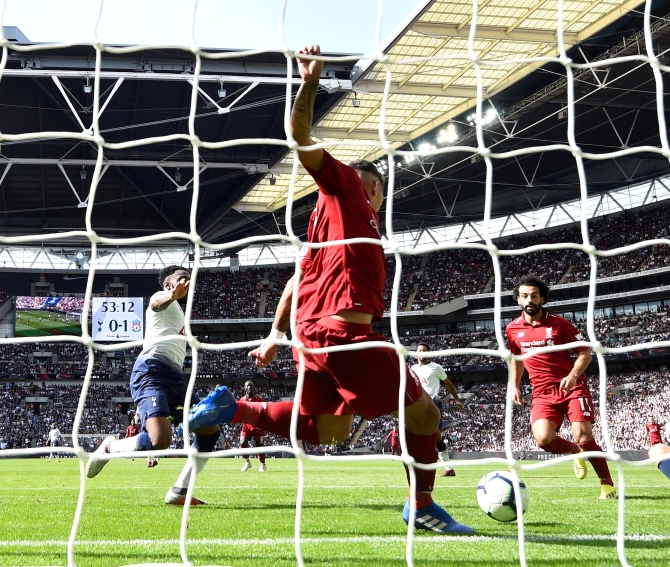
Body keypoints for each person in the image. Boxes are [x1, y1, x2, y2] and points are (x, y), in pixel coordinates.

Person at [187, 44, 472, 535]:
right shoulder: (343, 193)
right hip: (344, 337)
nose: (369, 192)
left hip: (311, 338)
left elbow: (296, 281)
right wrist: (311, 84)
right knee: (426, 418)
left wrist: (276, 335)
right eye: (367, 185)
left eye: (372, 187)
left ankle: (234, 408)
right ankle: (421, 506)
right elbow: (299, 137)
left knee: (331, 430)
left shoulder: (327, 235)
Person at [85, 266, 221, 506]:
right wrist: (170, 295)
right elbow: (155, 302)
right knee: (160, 441)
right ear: (169, 285)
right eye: (182, 278)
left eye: (189, 279)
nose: (187, 282)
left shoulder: (180, 310)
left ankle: (181, 490)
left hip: (174, 379)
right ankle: (109, 448)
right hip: (151, 372)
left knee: (210, 428)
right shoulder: (163, 300)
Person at [506, 274, 616, 499]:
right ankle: (576, 453)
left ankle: (607, 483)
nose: (529, 300)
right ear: (518, 299)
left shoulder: (559, 324)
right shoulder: (512, 329)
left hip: (572, 388)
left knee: (584, 435)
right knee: (544, 439)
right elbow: (516, 359)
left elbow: (585, 353)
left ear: (542, 299)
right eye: (525, 295)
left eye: (534, 295)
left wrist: (574, 375)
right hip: (542, 393)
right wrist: (514, 385)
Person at [411, 342, 463, 476]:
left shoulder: (436, 368)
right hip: (418, 404)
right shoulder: (413, 368)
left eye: (424, 350)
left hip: (433, 403)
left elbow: (448, 383)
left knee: (435, 435)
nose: (422, 353)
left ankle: (447, 467)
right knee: (420, 436)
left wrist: (456, 399)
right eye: (419, 350)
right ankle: (441, 467)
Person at [237, 381, 268, 473]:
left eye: (251, 386)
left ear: (253, 387)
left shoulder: (259, 400)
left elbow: (265, 413)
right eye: (247, 386)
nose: (249, 387)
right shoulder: (242, 400)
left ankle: (263, 464)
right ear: (244, 388)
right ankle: (247, 462)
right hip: (247, 426)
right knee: (242, 442)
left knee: (259, 446)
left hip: (258, 426)